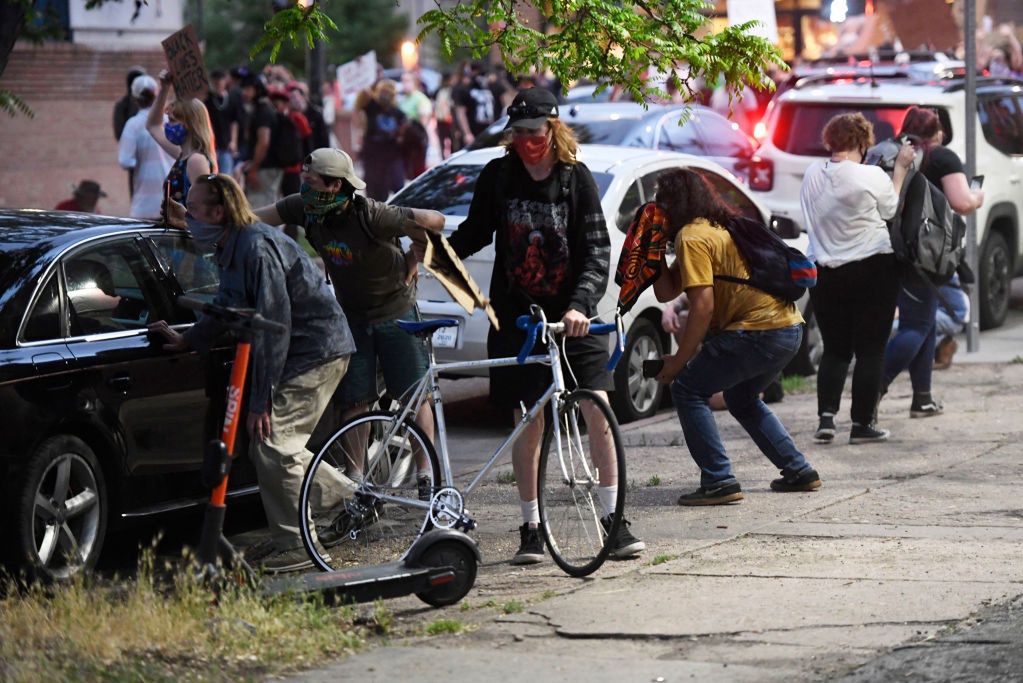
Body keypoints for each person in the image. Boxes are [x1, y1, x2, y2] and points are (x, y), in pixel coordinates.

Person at [446, 87, 645, 563]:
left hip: (574, 318)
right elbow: (474, 232)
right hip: (519, 319)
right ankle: (530, 527)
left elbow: (598, 251)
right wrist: (436, 256)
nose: (527, 142)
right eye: (518, 134)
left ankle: (612, 521)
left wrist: (579, 305)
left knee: (597, 408)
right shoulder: (498, 176)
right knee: (527, 421)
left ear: (553, 130)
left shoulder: (576, 180)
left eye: (535, 133)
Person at [148, 174, 357, 573]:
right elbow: (230, 305)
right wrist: (188, 339)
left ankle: (298, 544)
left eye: (192, 211)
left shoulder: (256, 247)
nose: (188, 219)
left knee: (272, 443)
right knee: (278, 447)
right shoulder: (233, 243)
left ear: (218, 212)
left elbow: (270, 328)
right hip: (303, 350)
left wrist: (260, 401)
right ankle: (350, 498)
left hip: (316, 351)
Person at [253, 148, 445, 491]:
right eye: (304, 183)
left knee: (414, 398)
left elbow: (434, 221)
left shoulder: (374, 215)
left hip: (395, 314)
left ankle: (426, 474)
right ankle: (357, 480)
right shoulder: (304, 208)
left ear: (336, 186)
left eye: (313, 185)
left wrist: (413, 262)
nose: (306, 191)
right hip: (352, 318)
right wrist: (200, 218)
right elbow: (253, 217)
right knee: (353, 401)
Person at [649, 169, 819, 505]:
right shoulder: (716, 227)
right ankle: (798, 471)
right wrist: (651, 249)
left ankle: (718, 480)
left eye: (660, 202)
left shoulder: (692, 236)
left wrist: (678, 362)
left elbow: (702, 308)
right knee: (742, 398)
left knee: (688, 389)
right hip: (788, 329)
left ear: (674, 204)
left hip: (757, 333)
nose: (657, 210)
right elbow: (666, 292)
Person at [800, 113, 915, 444]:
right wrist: (901, 169)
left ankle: (826, 419)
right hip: (873, 268)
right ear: (862, 143)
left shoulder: (811, 174)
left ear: (830, 141)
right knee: (871, 350)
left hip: (826, 272)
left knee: (836, 349)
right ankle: (862, 424)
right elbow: (891, 209)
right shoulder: (870, 175)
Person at [882, 106, 984, 417]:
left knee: (924, 322)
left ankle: (922, 397)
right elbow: (963, 203)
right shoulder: (941, 157)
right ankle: (873, 387)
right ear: (937, 131)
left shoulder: (892, 151)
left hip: (893, 246)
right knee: (919, 324)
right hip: (930, 253)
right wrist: (978, 193)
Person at [146, 70, 216, 206]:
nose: (168, 125)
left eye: (172, 120)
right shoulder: (183, 154)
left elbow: (203, 209)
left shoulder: (196, 160)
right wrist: (164, 88)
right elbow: (153, 125)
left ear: (190, 123)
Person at [118, 74, 174, 220]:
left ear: (135, 99)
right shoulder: (171, 120)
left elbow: (125, 160)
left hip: (146, 205)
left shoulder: (133, 124)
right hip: (173, 201)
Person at [357, 79, 407, 201]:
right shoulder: (371, 107)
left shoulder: (398, 112)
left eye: (389, 92)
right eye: (384, 91)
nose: (386, 95)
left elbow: (403, 129)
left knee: (398, 185)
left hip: (392, 153)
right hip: (373, 154)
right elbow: (361, 100)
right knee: (376, 192)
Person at [238, 72, 282, 208]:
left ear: (257, 90)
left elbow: (264, 141)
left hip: (264, 169)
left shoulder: (263, 111)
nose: (244, 93)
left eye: (248, 89)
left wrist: (254, 169)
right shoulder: (262, 109)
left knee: (260, 210)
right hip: (264, 167)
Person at [113, 65, 147, 198]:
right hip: (135, 157)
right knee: (137, 193)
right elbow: (119, 132)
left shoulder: (151, 104)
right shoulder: (123, 105)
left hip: (152, 156)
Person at [452, 61, 498, 147]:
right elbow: (460, 112)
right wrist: (467, 133)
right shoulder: (464, 89)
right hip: (473, 133)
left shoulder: (491, 88)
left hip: (488, 132)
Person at [205, 69, 239, 175]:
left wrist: (233, 141)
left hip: (226, 144)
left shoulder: (231, 99)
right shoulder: (207, 100)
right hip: (211, 143)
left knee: (226, 175)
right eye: (215, 82)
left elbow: (234, 122)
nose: (217, 84)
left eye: (220, 81)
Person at [933, 275, 969, 370]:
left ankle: (943, 346)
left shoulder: (938, 267)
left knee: (915, 321)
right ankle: (943, 343)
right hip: (951, 314)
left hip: (955, 317)